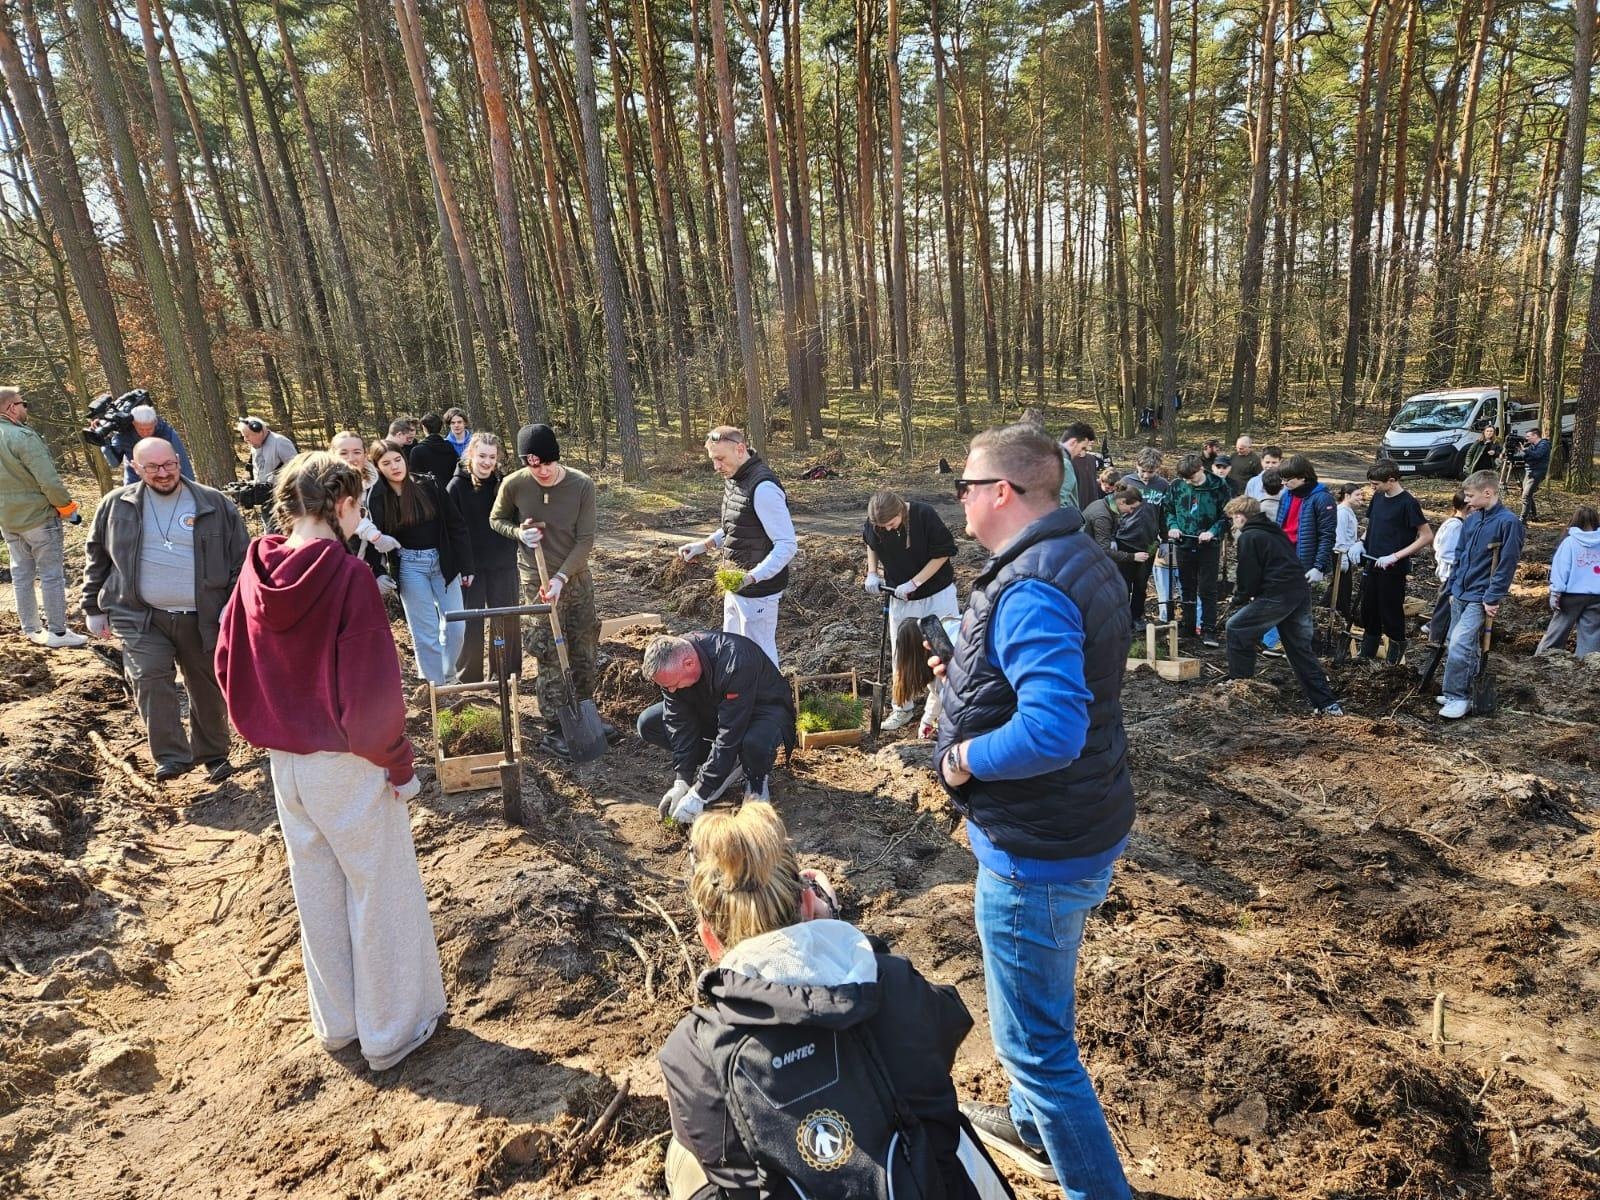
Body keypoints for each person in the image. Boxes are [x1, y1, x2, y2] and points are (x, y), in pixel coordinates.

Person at [932, 423, 1133, 1196]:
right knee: (1039, 1013)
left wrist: (962, 757)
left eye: (965, 488)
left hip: (1038, 850)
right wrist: (961, 687)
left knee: (1038, 1048)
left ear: (1002, 493)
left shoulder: (1031, 585)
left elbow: (1053, 727)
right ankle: (1026, 1121)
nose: (961, 501)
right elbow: (1051, 676)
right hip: (1077, 819)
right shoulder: (1075, 555)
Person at [214, 451, 445, 1073]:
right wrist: (399, 764)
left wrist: (265, 722)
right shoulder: (347, 579)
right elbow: (370, 693)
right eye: (358, 506)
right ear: (344, 503)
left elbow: (224, 659)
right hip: (347, 760)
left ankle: (338, 1023)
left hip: (284, 763)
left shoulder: (254, 570)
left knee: (315, 887)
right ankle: (391, 1031)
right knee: (380, 889)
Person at [657, 803, 1011, 1200]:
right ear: (809, 906)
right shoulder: (888, 980)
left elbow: (731, 1172)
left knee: (684, 1156)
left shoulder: (689, 1052)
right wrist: (840, 934)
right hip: (921, 1183)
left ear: (710, 940)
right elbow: (949, 1023)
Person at [81, 437, 247, 781]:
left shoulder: (214, 503)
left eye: (169, 464)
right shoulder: (115, 505)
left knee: (206, 685)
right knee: (149, 678)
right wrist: (91, 607)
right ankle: (171, 756)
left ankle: (214, 754)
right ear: (135, 468)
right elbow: (97, 557)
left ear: (178, 461)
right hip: (139, 614)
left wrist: (230, 606)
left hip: (204, 616)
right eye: (152, 467)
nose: (163, 473)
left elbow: (240, 560)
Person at [490, 423, 602, 749]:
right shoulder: (514, 484)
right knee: (549, 653)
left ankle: (584, 711)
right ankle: (555, 726)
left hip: (576, 579)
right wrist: (518, 534)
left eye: (546, 465)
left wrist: (561, 577)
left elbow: (585, 540)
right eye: (532, 465)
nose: (540, 471)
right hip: (534, 582)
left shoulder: (582, 485)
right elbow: (496, 520)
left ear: (557, 458)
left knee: (584, 649)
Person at [639, 632, 796, 820]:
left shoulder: (735, 660)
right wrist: (683, 780)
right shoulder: (673, 667)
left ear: (689, 663)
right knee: (649, 723)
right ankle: (731, 762)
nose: (671, 690)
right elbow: (679, 724)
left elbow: (730, 733)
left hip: (762, 711)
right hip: (716, 708)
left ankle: (755, 779)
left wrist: (700, 793)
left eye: (673, 684)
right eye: (666, 687)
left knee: (754, 743)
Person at [677, 427, 796, 668]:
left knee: (758, 656)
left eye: (720, 459)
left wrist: (752, 578)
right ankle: (743, 702)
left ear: (740, 449)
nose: (716, 467)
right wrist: (705, 545)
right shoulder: (735, 479)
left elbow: (787, 545)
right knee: (734, 651)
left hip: (758, 591)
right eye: (713, 460)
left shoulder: (764, 488)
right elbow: (737, 524)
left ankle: (770, 703)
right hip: (736, 585)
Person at [1218, 497, 1343, 714]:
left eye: (1233, 519)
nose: (1233, 523)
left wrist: (1239, 597)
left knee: (1236, 628)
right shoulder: (1273, 530)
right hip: (1298, 590)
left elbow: (1248, 575)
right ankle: (1326, 704)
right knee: (1299, 649)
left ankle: (1240, 686)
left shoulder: (1250, 536)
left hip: (1279, 594)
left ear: (1240, 515)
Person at [367, 439, 473, 687]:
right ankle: (436, 687)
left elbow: (456, 525)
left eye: (397, 460)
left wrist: (466, 565)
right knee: (426, 632)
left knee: (457, 627)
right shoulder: (378, 498)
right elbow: (371, 538)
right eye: (386, 463)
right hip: (409, 566)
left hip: (442, 562)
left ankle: (448, 675)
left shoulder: (428, 484)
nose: (394, 467)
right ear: (377, 467)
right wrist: (379, 571)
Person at [862, 489, 960, 731]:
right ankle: (901, 708)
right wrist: (873, 573)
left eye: (891, 523)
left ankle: (950, 706)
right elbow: (871, 544)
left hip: (937, 596)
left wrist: (916, 582)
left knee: (942, 650)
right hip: (900, 598)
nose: (886, 529)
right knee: (902, 654)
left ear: (901, 512)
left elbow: (944, 552)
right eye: (881, 526)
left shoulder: (923, 515)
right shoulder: (875, 524)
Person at [0, 386, 87, 648]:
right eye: (22, 403)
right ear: (11, 408)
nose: (26, 408)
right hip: (39, 518)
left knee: (22, 574)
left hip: (8, 520)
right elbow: (49, 481)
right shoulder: (22, 437)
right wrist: (68, 509)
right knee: (51, 575)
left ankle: (31, 628)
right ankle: (58, 633)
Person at [1437, 471, 1523, 719]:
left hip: (1480, 596)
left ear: (1488, 492)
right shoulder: (1472, 520)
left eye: (1470, 495)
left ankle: (1457, 697)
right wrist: (1453, 587)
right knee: (1458, 641)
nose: (1466, 500)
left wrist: (1493, 597)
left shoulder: (1508, 523)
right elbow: (1460, 554)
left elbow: (1507, 563)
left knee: (1460, 643)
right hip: (1460, 592)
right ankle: (1463, 687)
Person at [447, 433, 521, 684]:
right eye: (482, 456)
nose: (487, 462)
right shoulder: (456, 487)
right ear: (470, 455)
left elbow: (516, 518)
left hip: (503, 563)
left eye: (491, 457)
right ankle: (469, 675)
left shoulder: (504, 484)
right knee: (471, 622)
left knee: (506, 618)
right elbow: (453, 531)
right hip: (472, 567)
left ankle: (504, 672)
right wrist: (462, 566)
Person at [1358, 460, 1433, 665]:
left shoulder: (1407, 503)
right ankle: (1368, 652)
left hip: (1392, 568)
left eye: (1376, 484)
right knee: (1368, 609)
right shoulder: (1378, 496)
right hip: (1372, 562)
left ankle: (1395, 655)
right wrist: (1361, 542)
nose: (1372, 487)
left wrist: (1396, 556)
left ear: (1391, 480)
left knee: (1390, 611)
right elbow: (1373, 524)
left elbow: (1426, 536)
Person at [1165, 451, 1230, 646]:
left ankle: (1209, 629)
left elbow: (1227, 515)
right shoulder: (1177, 486)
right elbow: (1168, 509)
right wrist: (1173, 526)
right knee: (1186, 586)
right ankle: (1188, 625)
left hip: (1208, 545)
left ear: (1201, 468)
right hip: (1184, 542)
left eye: (1191, 477)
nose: (1189, 482)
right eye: (1185, 478)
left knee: (1207, 587)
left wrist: (1212, 531)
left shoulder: (1218, 486)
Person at [329, 431, 398, 600]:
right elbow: (344, 518)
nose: (351, 458)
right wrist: (374, 535)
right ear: (332, 455)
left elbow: (384, 524)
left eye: (357, 452)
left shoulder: (377, 485)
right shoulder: (325, 486)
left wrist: (379, 571)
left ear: (365, 454)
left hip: (366, 571)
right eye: (343, 453)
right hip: (334, 570)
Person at [1084, 484, 1159, 630]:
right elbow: (1104, 550)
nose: (1131, 512)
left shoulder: (1106, 505)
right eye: (1131, 508)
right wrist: (1133, 557)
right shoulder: (1102, 516)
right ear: (1122, 502)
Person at [1536, 505, 1600, 657]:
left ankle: (1542, 659)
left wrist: (1555, 592)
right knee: (1591, 635)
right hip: (1597, 597)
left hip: (1570, 595)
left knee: (1557, 631)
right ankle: (1587, 665)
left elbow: (1561, 569)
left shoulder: (1569, 543)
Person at [1122, 448, 1173, 623]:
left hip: (1150, 542)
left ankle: (1137, 616)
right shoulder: (1126, 482)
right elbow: (1114, 510)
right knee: (1123, 582)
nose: (1145, 475)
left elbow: (1165, 514)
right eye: (1142, 470)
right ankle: (1122, 617)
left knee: (1141, 582)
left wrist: (1165, 540)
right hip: (1125, 540)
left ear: (1157, 469)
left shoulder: (1163, 485)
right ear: (1136, 465)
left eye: (1150, 472)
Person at [891, 613, 961, 739]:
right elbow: (937, 692)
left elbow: (953, 696)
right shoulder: (935, 645)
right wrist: (927, 721)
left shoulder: (949, 651)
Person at [101, 400, 194, 486]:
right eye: (141, 429)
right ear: (134, 424)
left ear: (155, 422)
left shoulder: (168, 434)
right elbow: (114, 463)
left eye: (149, 429)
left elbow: (183, 465)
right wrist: (104, 441)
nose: (145, 433)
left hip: (165, 480)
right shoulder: (124, 435)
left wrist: (191, 489)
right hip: (135, 481)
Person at [1422, 491, 1468, 644]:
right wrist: (1461, 564)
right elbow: (1446, 552)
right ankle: (1435, 637)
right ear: (1466, 507)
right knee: (1444, 607)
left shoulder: (1459, 524)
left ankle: (1435, 629)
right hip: (1450, 573)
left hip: (1453, 572)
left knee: (1446, 607)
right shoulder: (1455, 526)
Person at [1331, 482, 1365, 623]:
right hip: (1339, 554)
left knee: (1342, 587)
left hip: (1346, 554)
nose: (1361, 498)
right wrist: (1343, 557)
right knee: (1340, 586)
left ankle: (1343, 614)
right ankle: (1339, 614)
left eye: (1361, 495)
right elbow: (1339, 537)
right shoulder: (1341, 512)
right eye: (1357, 495)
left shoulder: (1348, 510)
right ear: (1347, 495)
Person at [238, 416, 297, 487]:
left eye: (247, 436)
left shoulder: (280, 442)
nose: (245, 439)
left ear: (259, 432)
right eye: (244, 436)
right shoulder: (255, 445)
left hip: (279, 493)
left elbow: (296, 470)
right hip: (261, 493)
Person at [1056, 422, 1099, 513]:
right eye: (1082, 448)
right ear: (1073, 442)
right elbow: (1058, 503)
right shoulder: (1065, 464)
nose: (1081, 453)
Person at [407, 412, 460, 484]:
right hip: (449, 490)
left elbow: (414, 477)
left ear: (424, 427)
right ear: (440, 428)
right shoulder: (449, 446)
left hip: (428, 492)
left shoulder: (417, 450)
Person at [1519, 426, 1551, 523]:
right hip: (1529, 471)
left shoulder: (1544, 444)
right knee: (1527, 494)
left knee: (1526, 495)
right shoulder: (1531, 446)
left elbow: (1537, 455)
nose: (1526, 438)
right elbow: (1526, 457)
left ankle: (1522, 519)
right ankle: (1533, 515)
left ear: (1535, 436)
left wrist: (1525, 450)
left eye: (1528, 436)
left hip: (1537, 472)